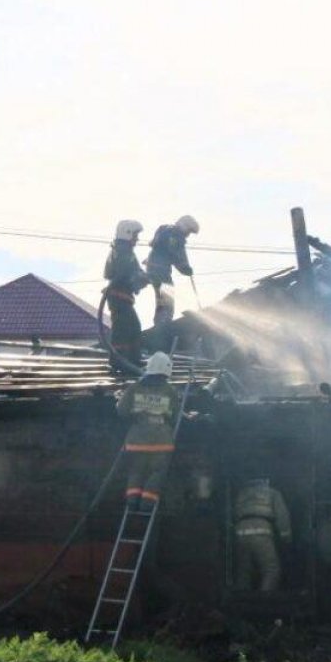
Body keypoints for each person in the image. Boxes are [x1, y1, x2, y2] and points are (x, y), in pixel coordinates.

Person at [116, 352, 179, 517]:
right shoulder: (170, 390)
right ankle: (147, 503)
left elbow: (122, 411)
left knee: (136, 471)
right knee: (157, 472)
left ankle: (132, 501)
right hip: (160, 442)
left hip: (136, 441)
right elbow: (176, 416)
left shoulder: (134, 388)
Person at [103, 220, 149, 373]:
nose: (137, 239)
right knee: (123, 329)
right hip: (118, 296)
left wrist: (143, 276)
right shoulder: (122, 251)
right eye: (135, 235)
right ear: (127, 233)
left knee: (133, 327)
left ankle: (132, 359)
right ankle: (119, 361)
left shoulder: (126, 251)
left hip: (123, 297)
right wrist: (140, 278)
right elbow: (126, 274)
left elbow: (134, 271)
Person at [233, 477, 292, 592]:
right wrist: (286, 537)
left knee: (244, 572)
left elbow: (234, 513)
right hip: (261, 531)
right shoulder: (272, 493)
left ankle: (241, 602)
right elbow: (282, 516)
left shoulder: (241, 494)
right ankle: (264, 600)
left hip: (240, 533)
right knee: (271, 570)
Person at [144, 215, 198, 327]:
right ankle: (163, 323)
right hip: (160, 269)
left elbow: (170, 251)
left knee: (161, 296)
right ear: (184, 226)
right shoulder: (175, 236)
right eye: (188, 231)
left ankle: (160, 322)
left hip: (152, 267)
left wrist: (184, 266)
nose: (188, 235)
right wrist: (185, 268)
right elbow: (175, 254)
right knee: (167, 295)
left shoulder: (166, 231)